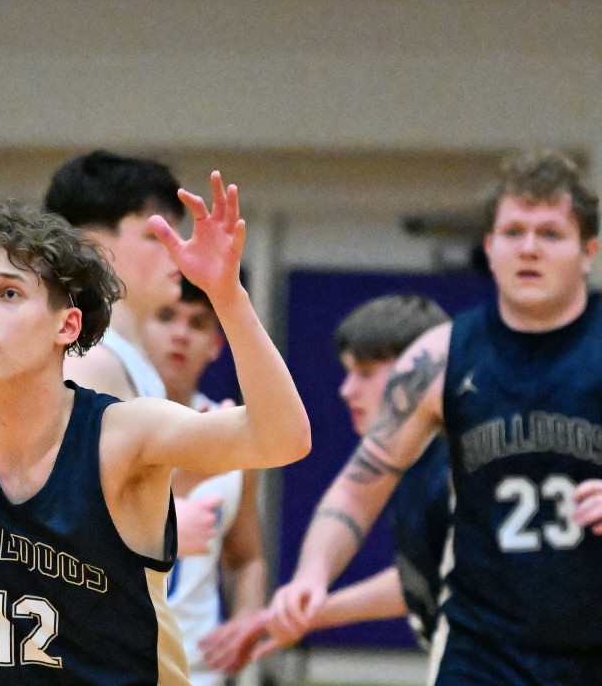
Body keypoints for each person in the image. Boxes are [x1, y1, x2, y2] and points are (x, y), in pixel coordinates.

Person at [0, 174, 311, 685]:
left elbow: (284, 437)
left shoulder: (121, 434)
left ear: (67, 326)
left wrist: (227, 296)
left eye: (8, 293)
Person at [262, 151, 602, 686]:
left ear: (588, 252)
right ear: (489, 248)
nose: (530, 248)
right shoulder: (439, 358)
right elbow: (358, 487)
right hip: (484, 650)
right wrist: (311, 574)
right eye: (513, 232)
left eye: (550, 233)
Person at [201, 294, 451, 670]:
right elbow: (424, 576)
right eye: (347, 372)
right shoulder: (412, 461)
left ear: (422, 369)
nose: (346, 390)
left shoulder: (456, 459)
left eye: (365, 373)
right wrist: (305, 611)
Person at [143, 280, 268, 686]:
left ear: (215, 345)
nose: (181, 334)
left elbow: (247, 557)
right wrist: (194, 471)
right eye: (166, 317)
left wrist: (248, 613)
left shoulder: (231, 428)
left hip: (196, 669)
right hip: (113, 659)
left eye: (197, 324)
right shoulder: (101, 418)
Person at [43, 149, 185, 400]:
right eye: (155, 237)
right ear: (91, 249)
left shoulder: (129, 358)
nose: (179, 248)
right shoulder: (88, 362)